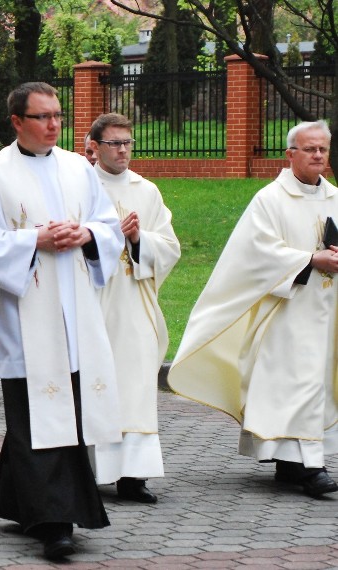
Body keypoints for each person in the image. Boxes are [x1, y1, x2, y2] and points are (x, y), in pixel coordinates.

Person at [0, 82, 124, 561]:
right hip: (25, 314)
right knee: (36, 418)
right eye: (43, 117)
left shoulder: (78, 167)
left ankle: (17, 500)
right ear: (16, 122)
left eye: (58, 115)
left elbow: (106, 223)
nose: (54, 125)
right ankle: (56, 522)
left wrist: (87, 233)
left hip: (74, 314)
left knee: (53, 416)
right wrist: (34, 241)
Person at [168, 120, 338, 498]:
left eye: (323, 149)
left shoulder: (335, 198)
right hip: (285, 312)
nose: (317, 156)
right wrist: (311, 259)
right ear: (289, 154)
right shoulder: (270, 199)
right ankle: (309, 467)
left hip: (325, 309)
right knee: (292, 386)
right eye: (309, 149)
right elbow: (257, 254)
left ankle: (291, 465)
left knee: (313, 385)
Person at [88, 113, 181, 503]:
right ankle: (92, 472)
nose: (123, 149)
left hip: (135, 299)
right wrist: (109, 236)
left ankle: (133, 476)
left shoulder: (148, 190)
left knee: (137, 389)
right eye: (114, 143)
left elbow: (171, 247)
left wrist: (140, 239)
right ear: (94, 146)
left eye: (128, 142)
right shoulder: (81, 186)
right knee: (98, 386)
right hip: (94, 301)